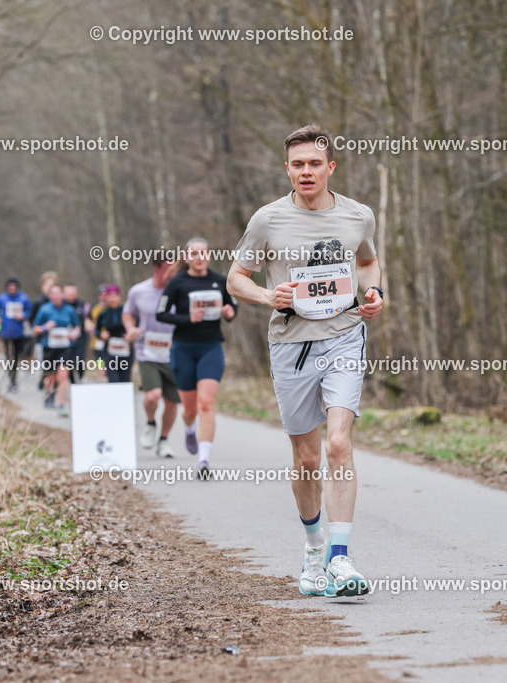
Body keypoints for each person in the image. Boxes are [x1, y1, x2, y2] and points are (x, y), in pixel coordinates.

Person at [228, 124, 384, 598]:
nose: (306, 171)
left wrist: (374, 293)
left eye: (315, 163)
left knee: (338, 444)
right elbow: (236, 277)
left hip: (343, 337)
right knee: (307, 456)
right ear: (288, 169)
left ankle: (341, 559)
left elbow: (366, 263)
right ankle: (314, 547)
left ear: (330, 167)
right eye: (297, 164)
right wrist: (264, 295)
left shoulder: (358, 215)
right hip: (291, 344)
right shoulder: (268, 220)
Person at [156, 238, 237, 478]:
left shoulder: (220, 281)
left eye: (203, 253)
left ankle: (203, 460)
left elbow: (232, 307)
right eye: (194, 253)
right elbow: (161, 313)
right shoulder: (177, 282)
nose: (199, 257)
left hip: (211, 347)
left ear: (209, 256)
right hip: (183, 349)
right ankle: (189, 428)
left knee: (206, 404)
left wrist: (229, 313)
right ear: (187, 257)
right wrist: (187, 318)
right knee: (190, 409)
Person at [123, 258, 180, 458]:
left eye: (175, 270)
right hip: (147, 351)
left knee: (172, 402)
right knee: (152, 395)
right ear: (156, 268)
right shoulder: (139, 291)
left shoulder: (180, 290)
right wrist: (130, 328)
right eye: (167, 270)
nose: (172, 274)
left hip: (175, 352)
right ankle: (150, 422)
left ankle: (163, 440)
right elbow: (128, 313)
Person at [32, 284, 80, 418]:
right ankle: (49, 395)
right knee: (50, 377)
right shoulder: (44, 309)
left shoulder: (69, 310)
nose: (56, 296)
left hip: (65, 347)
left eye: (59, 293)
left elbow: (77, 327)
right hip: (49, 347)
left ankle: (61, 405)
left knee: (63, 376)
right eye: (53, 294)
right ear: (50, 296)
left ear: (62, 295)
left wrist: (75, 333)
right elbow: (35, 328)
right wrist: (45, 327)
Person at [0, 278, 31, 393]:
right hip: (6, 332)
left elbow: (29, 311)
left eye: (14, 287)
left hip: (19, 332)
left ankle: (14, 379)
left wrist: (23, 315)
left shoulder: (24, 298)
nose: (12, 289)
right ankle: (12, 381)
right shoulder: (2, 298)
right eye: (10, 287)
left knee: (15, 357)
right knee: (9, 357)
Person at [95, 285, 132, 383]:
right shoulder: (103, 314)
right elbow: (96, 331)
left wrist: (129, 334)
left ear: (119, 297)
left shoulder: (126, 312)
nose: (113, 298)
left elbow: (134, 326)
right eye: (110, 295)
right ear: (106, 297)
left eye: (115, 295)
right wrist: (101, 335)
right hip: (110, 351)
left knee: (125, 380)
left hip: (125, 350)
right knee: (113, 380)